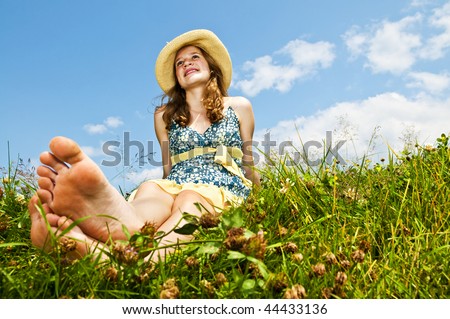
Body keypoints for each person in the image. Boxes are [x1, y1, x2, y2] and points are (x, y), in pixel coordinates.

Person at [28, 29, 260, 261]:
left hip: (221, 186)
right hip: (175, 182)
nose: (186, 63)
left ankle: (121, 254)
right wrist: (163, 190)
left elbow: (248, 161)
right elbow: (168, 168)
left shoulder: (238, 106)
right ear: (177, 78)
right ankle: (124, 223)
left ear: (210, 66)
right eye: (179, 63)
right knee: (152, 191)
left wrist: (259, 201)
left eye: (194, 57)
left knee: (190, 200)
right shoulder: (165, 116)